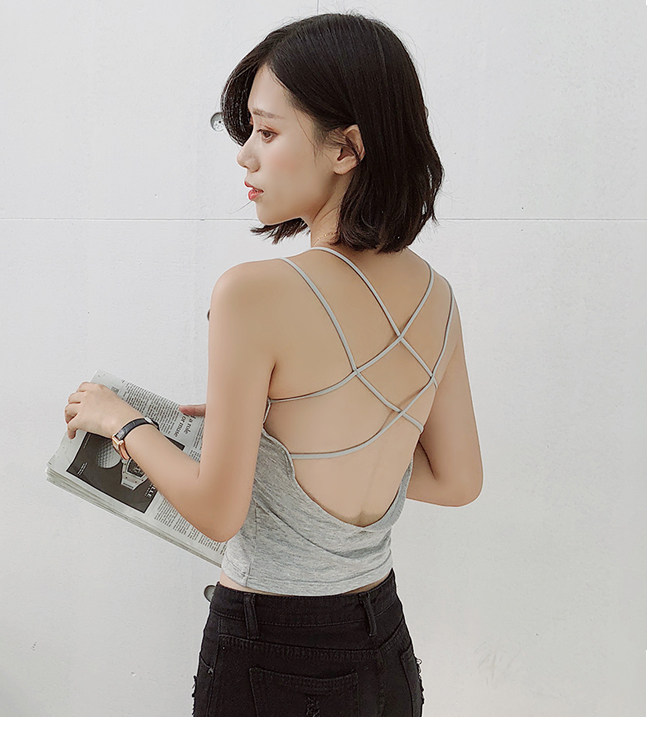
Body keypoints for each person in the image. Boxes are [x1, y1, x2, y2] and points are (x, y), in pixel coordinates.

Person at [183, 11, 483, 717]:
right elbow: (458, 480)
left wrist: (124, 424)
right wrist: (299, 451)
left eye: (267, 131)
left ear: (346, 147)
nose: (245, 156)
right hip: (383, 646)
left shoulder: (252, 293)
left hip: (267, 649)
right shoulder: (435, 294)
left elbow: (216, 511)